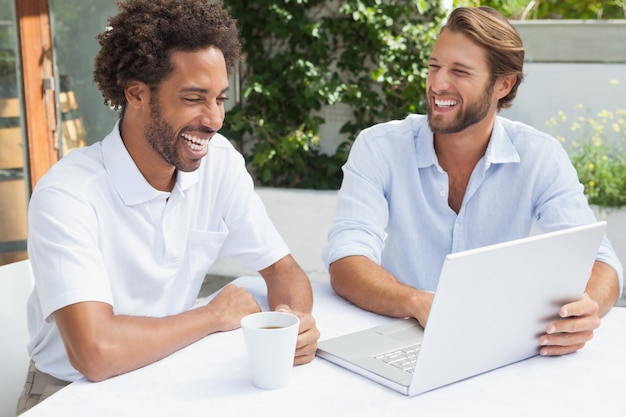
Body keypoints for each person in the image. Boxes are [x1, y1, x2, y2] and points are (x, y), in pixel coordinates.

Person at [18, 0, 319, 413]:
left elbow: (283, 269)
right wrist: (212, 316)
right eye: (195, 98)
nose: (214, 119)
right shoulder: (68, 195)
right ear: (137, 93)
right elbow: (95, 352)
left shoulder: (220, 164)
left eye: (219, 98)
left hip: (170, 370)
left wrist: (294, 323)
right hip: (69, 393)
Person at [322, 6, 623, 358]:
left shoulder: (539, 156)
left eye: (459, 71)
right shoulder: (378, 147)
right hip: (400, 333)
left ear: (503, 84)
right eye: (434, 66)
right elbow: (346, 257)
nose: (437, 84)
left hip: (500, 346)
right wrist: (417, 302)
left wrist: (585, 308)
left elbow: (601, 260)